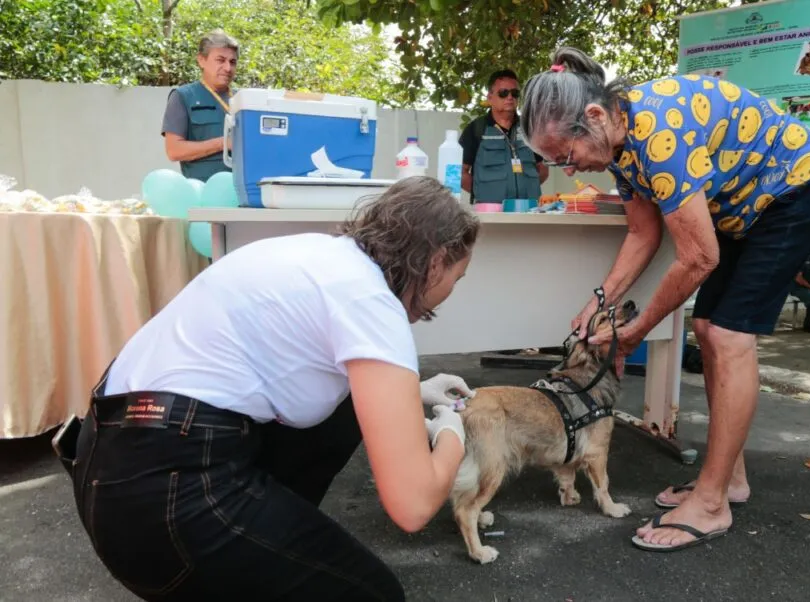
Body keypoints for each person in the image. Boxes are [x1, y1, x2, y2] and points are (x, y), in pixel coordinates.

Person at [55, 177, 478, 600]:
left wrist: (410, 393)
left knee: (345, 411)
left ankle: (262, 547)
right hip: (165, 505)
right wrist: (451, 432)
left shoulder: (313, 254)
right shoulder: (371, 303)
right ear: (437, 261)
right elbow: (414, 505)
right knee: (373, 595)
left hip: (110, 468)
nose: (451, 293)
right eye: (458, 278)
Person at [519, 47, 810, 552]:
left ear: (595, 117)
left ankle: (712, 503)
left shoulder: (658, 136)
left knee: (728, 335)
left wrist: (637, 329)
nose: (570, 171)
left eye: (565, 156)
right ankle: (728, 478)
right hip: (743, 208)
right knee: (706, 327)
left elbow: (697, 259)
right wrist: (598, 301)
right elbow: (643, 235)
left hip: (794, 190)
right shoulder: (622, 146)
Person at [459, 69, 549, 203]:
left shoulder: (529, 128)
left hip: (528, 211)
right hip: (491, 213)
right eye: (503, 93)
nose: (509, 97)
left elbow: (542, 168)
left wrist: (528, 188)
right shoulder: (476, 129)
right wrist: (482, 192)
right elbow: (460, 172)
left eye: (515, 93)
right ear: (490, 98)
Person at [161, 29, 238, 182]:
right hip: (203, 193)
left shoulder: (244, 100)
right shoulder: (183, 96)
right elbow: (174, 151)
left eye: (232, 62)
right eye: (220, 60)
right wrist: (223, 143)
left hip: (243, 192)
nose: (228, 68)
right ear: (201, 60)